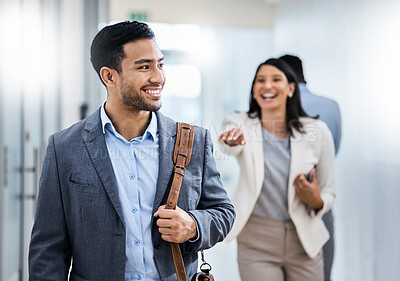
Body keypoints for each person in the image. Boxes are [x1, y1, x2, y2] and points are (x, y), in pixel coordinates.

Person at [28, 21, 235, 281]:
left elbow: (223, 212)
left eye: (160, 64)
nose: (158, 77)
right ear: (109, 76)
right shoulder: (64, 148)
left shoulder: (194, 141)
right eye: (144, 67)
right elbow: (47, 249)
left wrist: (193, 225)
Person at [218, 58, 335, 281]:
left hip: (304, 241)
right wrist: (231, 141)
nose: (267, 86)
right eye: (260, 80)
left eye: (276, 79)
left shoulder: (318, 132)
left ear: (291, 88)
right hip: (256, 242)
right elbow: (229, 141)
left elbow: (330, 191)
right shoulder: (239, 123)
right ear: (254, 90)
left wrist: (316, 200)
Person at [280, 54, 341, 281]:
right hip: (320, 199)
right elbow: (334, 150)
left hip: (284, 206)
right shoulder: (331, 106)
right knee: (321, 274)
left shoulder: (277, 107)